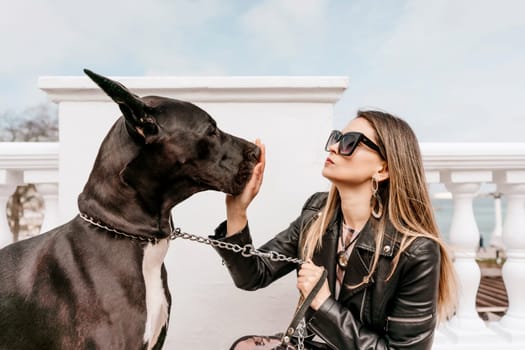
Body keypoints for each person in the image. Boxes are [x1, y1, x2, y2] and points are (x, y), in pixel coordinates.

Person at [211, 110, 458, 349]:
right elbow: (253, 276)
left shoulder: (416, 251)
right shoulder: (316, 213)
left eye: (350, 142)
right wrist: (237, 212)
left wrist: (323, 303)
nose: (333, 147)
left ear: (382, 169)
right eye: (336, 138)